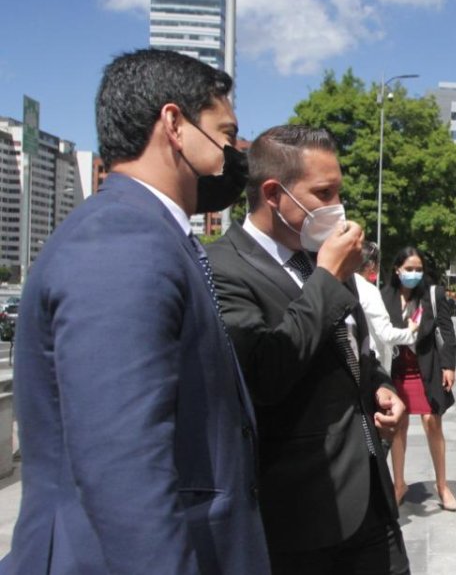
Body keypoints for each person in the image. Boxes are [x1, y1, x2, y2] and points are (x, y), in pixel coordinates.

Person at [3, 49, 269, 573]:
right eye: (225, 132)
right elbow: (121, 466)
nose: (233, 153)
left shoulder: (154, 233)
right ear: (174, 123)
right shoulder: (121, 239)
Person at [206, 125, 410, 574]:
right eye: (324, 193)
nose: (337, 208)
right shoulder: (223, 269)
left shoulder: (327, 263)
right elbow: (264, 375)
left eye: (340, 191)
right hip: (301, 519)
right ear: (274, 194)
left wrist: (381, 388)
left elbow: (358, 354)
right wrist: (327, 279)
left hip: (372, 502)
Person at [380, 247, 456, 511]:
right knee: (398, 425)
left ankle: (442, 485)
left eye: (418, 269)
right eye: (409, 269)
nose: (414, 274)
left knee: (431, 422)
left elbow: (446, 331)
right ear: (397, 269)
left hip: (427, 368)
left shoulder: (433, 295)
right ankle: (399, 484)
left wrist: (448, 365)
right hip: (397, 369)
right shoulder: (384, 296)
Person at [355, 241, 419, 378]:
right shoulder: (369, 291)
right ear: (372, 265)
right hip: (372, 366)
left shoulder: (344, 284)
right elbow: (386, 334)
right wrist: (411, 332)